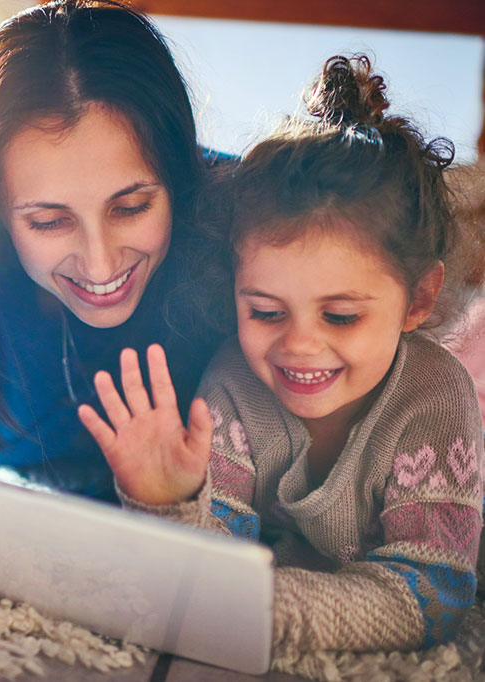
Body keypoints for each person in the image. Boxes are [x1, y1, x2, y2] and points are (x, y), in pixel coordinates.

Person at [79, 54, 485, 655]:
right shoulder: (235, 384)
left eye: (341, 316)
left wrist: (257, 608)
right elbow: (203, 568)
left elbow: (432, 593)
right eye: (266, 312)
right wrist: (168, 503)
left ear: (418, 298)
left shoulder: (434, 397)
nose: (298, 345)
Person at [0, 0, 225, 587]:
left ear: (180, 182)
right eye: (49, 222)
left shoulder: (237, 225)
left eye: (131, 207)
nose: (102, 264)